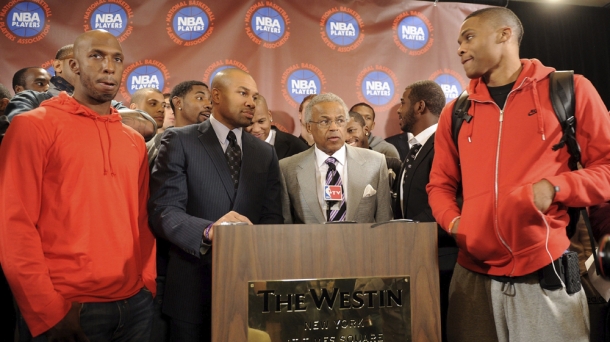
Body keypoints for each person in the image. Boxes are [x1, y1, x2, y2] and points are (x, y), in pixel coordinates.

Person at [427, 7, 610, 342]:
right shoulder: (456, 112)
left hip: (546, 272)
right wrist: (455, 223)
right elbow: (439, 185)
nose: (460, 49)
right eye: (458, 41)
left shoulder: (570, 89)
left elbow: (607, 168)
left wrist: (555, 187)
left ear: (504, 35)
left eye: (469, 37)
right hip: (471, 278)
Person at [0, 29, 156, 341]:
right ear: (73, 67)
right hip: (67, 307)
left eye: (116, 59)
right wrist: (47, 308)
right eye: (96, 56)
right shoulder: (32, 127)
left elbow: (141, 219)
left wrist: (146, 282)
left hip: (135, 306)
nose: (108, 66)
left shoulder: (133, 141)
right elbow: (15, 226)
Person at [149, 68, 282, 342]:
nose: (251, 102)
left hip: (248, 291)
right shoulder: (179, 140)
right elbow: (164, 211)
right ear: (216, 96)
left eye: (255, 96)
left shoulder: (265, 153)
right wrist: (209, 231)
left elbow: (272, 217)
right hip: (191, 290)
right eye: (243, 93)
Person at [392, 80, 456, 342]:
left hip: (444, 263)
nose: (398, 109)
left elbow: (453, 201)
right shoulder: (414, 149)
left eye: (403, 102)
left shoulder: (447, 143)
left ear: (420, 106)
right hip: (419, 261)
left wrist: (408, 230)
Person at [280, 93, 392, 224]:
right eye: (324, 121)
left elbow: (384, 223)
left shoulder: (376, 163)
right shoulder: (287, 168)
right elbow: (286, 228)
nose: (334, 127)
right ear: (309, 127)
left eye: (340, 120)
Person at [5, 45, 157, 141]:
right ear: (58, 65)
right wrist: (101, 121)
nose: (87, 66)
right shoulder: (32, 99)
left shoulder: (108, 105)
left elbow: (148, 125)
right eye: (77, 60)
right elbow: (20, 135)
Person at [246, 94, 308, 159]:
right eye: (250, 123)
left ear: (269, 115)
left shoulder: (296, 147)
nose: (256, 129)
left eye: (261, 121)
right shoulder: (237, 147)